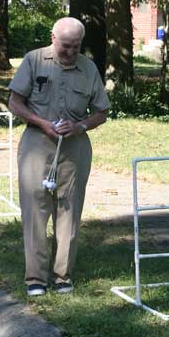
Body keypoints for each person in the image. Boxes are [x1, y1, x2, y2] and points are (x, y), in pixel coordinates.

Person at [8, 17, 110, 296]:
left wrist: (79, 127)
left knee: (69, 210)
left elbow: (101, 111)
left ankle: (62, 276)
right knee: (35, 210)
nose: (70, 52)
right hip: (37, 142)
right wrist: (42, 123)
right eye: (66, 46)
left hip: (74, 146)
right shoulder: (34, 60)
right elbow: (14, 102)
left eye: (76, 47)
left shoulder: (88, 68)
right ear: (53, 37)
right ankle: (36, 279)